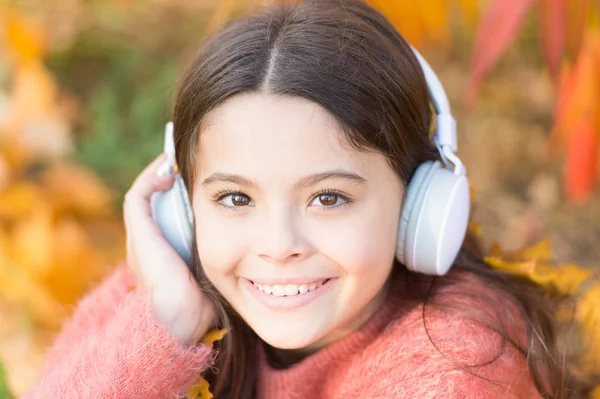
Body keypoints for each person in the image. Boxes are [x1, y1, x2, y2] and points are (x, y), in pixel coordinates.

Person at [22, 0, 584, 397]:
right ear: (184, 209)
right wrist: (165, 322)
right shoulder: (169, 291)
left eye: (329, 198)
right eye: (236, 199)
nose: (278, 246)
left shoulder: (453, 369)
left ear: (420, 202)